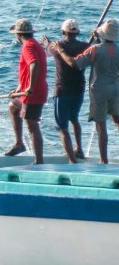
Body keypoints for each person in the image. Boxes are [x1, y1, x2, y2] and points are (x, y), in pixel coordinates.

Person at [51, 19, 119, 163]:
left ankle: (104, 160)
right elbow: (107, 51)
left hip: (98, 91)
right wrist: (97, 40)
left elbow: (74, 63)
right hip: (115, 90)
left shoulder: (94, 49)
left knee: (101, 127)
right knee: (117, 121)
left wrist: (60, 49)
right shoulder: (117, 49)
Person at [42, 19, 90, 162]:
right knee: (74, 119)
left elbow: (48, 52)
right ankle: (79, 149)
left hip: (62, 90)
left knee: (62, 126)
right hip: (79, 89)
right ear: (78, 32)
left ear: (63, 32)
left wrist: (46, 43)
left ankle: (72, 159)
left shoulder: (57, 46)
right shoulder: (86, 46)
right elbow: (91, 49)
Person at [5, 18, 48, 163]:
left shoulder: (28, 46)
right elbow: (27, 70)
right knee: (13, 107)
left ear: (18, 35)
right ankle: (19, 143)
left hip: (33, 93)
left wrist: (29, 87)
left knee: (32, 125)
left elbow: (34, 64)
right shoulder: (33, 44)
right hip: (28, 92)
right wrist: (19, 88)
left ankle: (39, 160)